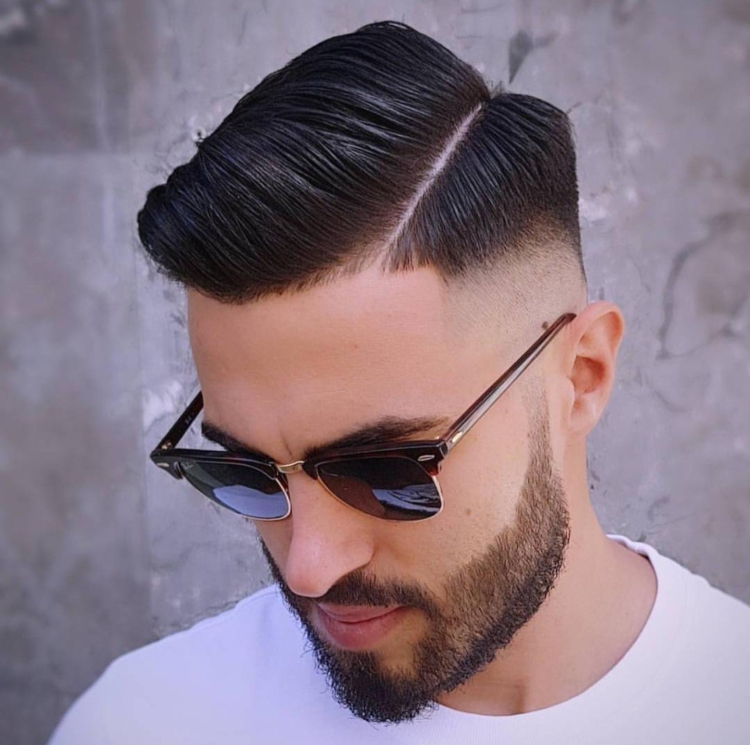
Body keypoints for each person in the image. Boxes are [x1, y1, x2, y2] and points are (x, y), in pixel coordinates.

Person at [49, 20, 750, 745]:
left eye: (385, 471)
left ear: (582, 375)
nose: (310, 568)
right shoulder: (139, 723)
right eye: (243, 471)